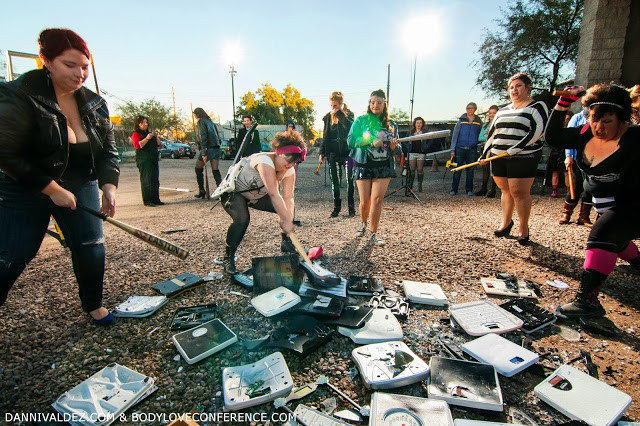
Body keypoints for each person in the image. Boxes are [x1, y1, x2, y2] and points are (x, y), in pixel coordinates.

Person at [0, 28, 119, 325]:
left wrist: (109, 188)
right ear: (46, 61)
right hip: (26, 186)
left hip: (80, 183)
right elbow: (6, 154)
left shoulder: (95, 103)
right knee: (13, 255)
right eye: (70, 65)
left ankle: (93, 304)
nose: (80, 74)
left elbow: (108, 153)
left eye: (85, 67)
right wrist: (52, 189)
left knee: (91, 247)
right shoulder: (18, 94)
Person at [545, 83, 640, 317]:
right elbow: (553, 136)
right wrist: (564, 102)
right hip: (605, 204)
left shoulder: (636, 138)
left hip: (634, 203)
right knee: (615, 241)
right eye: (594, 119)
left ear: (622, 119)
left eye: (607, 121)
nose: (599, 127)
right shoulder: (584, 132)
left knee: (602, 235)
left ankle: (587, 302)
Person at [220, 130, 306, 274]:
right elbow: (273, 193)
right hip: (235, 193)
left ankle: (286, 242)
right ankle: (228, 257)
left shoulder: (289, 170)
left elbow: (288, 197)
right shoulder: (264, 160)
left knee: (287, 209)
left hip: (256, 196)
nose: (290, 164)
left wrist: (288, 221)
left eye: (294, 162)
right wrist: (285, 219)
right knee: (242, 219)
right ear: (278, 152)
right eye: (288, 159)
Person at [479, 72, 549, 245]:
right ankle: (506, 223)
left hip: (523, 156)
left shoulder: (537, 106)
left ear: (527, 87)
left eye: (518, 86)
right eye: (511, 87)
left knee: (519, 192)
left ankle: (523, 228)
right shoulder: (502, 111)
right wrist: (485, 154)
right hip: (499, 156)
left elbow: (539, 130)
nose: (514, 90)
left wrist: (517, 148)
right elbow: (492, 134)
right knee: (506, 191)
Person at [348, 89, 400, 247]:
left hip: (383, 166)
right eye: (372, 102)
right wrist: (370, 141)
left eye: (379, 102)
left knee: (377, 200)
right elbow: (351, 141)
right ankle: (363, 224)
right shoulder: (361, 120)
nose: (375, 105)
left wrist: (393, 146)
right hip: (363, 165)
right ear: (369, 104)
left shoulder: (391, 125)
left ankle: (373, 233)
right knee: (365, 202)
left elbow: (398, 150)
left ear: (385, 104)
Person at [320, 91, 355, 217]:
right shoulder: (328, 117)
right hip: (333, 153)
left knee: (350, 180)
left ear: (341, 104)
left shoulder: (349, 114)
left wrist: (339, 113)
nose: (333, 108)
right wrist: (322, 152)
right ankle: (337, 207)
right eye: (332, 106)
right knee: (335, 181)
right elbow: (325, 136)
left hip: (347, 152)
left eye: (335, 105)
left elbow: (350, 128)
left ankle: (351, 208)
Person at [558, 110, 594, 225]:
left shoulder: (599, 117)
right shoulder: (577, 118)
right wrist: (568, 156)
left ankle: (584, 216)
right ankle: (566, 214)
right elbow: (569, 138)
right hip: (577, 158)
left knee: (590, 187)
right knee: (576, 185)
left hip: (593, 157)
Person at [450, 103, 483, 196]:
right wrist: (452, 150)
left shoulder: (478, 121)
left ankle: (469, 190)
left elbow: (482, 134)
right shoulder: (461, 121)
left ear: (475, 109)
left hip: (472, 149)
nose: (470, 110)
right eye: (468, 108)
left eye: (472, 108)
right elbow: (455, 136)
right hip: (460, 148)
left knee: (470, 170)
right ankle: (454, 189)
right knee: (457, 169)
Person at [131, 115, 163, 206]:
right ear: (138, 124)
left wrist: (156, 136)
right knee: (146, 180)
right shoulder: (136, 134)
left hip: (153, 159)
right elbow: (138, 145)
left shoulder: (149, 133)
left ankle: (155, 199)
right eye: (143, 123)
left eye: (146, 122)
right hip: (144, 160)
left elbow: (159, 145)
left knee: (154, 180)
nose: (145, 124)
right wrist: (147, 138)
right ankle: (147, 200)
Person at [193, 107, 222, 198]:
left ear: (197, 114)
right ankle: (221, 190)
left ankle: (202, 190)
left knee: (198, 168)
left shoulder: (201, 122)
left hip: (208, 148)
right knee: (215, 170)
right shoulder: (211, 122)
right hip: (215, 148)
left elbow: (203, 137)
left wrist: (204, 152)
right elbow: (217, 136)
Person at [544, 112, 571, 198]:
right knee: (555, 172)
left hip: (565, 151)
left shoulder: (571, 129)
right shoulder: (556, 128)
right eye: (565, 119)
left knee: (566, 172)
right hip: (555, 151)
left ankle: (568, 191)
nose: (566, 121)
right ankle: (554, 190)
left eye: (568, 119)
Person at [475, 105, 499, 197]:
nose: (492, 115)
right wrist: (488, 137)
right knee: (485, 170)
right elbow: (480, 137)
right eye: (490, 113)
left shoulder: (499, 124)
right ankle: (483, 188)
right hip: (485, 149)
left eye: (494, 113)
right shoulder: (485, 125)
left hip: (495, 149)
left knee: (494, 170)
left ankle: (493, 190)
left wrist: (489, 137)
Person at [406, 117, 428, 192]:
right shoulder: (410, 132)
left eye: (420, 123)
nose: (419, 124)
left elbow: (430, 140)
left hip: (421, 153)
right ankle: (410, 185)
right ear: (414, 124)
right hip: (412, 153)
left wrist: (426, 147)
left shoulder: (425, 132)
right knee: (412, 169)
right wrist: (408, 147)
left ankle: (419, 186)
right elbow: (405, 141)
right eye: (417, 123)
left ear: (422, 124)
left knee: (420, 169)